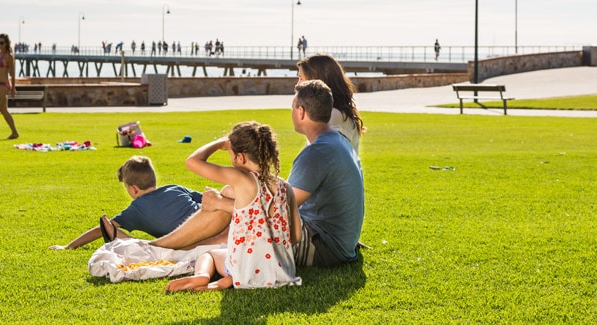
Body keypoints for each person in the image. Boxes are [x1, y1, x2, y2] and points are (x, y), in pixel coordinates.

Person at [152, 80, 365, 268]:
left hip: (324, 248)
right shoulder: (337, 141)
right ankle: (174, 247)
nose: (291, 113)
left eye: (292, 107)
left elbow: (279, 213)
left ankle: (162, 247)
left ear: (301, 112)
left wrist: (220, 203)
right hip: (335, 242)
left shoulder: (316, 153)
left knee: (229, 197)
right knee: (231, 193)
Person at [165, 122, 301, 291]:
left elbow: (192, 162)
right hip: (280, 273)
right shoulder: (285, 187)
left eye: (231, 153)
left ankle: (203, 276)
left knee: (211, 255)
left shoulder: (241, 179)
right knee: (239, 255)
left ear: (240, 157)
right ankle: (224, 281)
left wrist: (221, 143)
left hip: (244, 271)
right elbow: (295, 236)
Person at [49, 156, 202, 250]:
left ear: (133, 189)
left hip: (188, 242)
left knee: (139, 242)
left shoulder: (137, 209)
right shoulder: (175, 188)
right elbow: (206, 199)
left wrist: (68, 246)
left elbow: (102, 228)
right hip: (215, 225)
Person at [297, 54, 364, 155]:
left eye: (301, 78)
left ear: (316, 81)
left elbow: (316, 161)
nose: (297, 84)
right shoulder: (334, 113)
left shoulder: (333, 115)